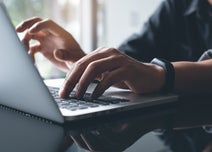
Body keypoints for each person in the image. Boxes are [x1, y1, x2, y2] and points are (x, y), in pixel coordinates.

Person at [16, 0, 212, 99]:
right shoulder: (178, 5)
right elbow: (129, 62)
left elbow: (145, 73)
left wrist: (158, 74)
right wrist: (82, 60)